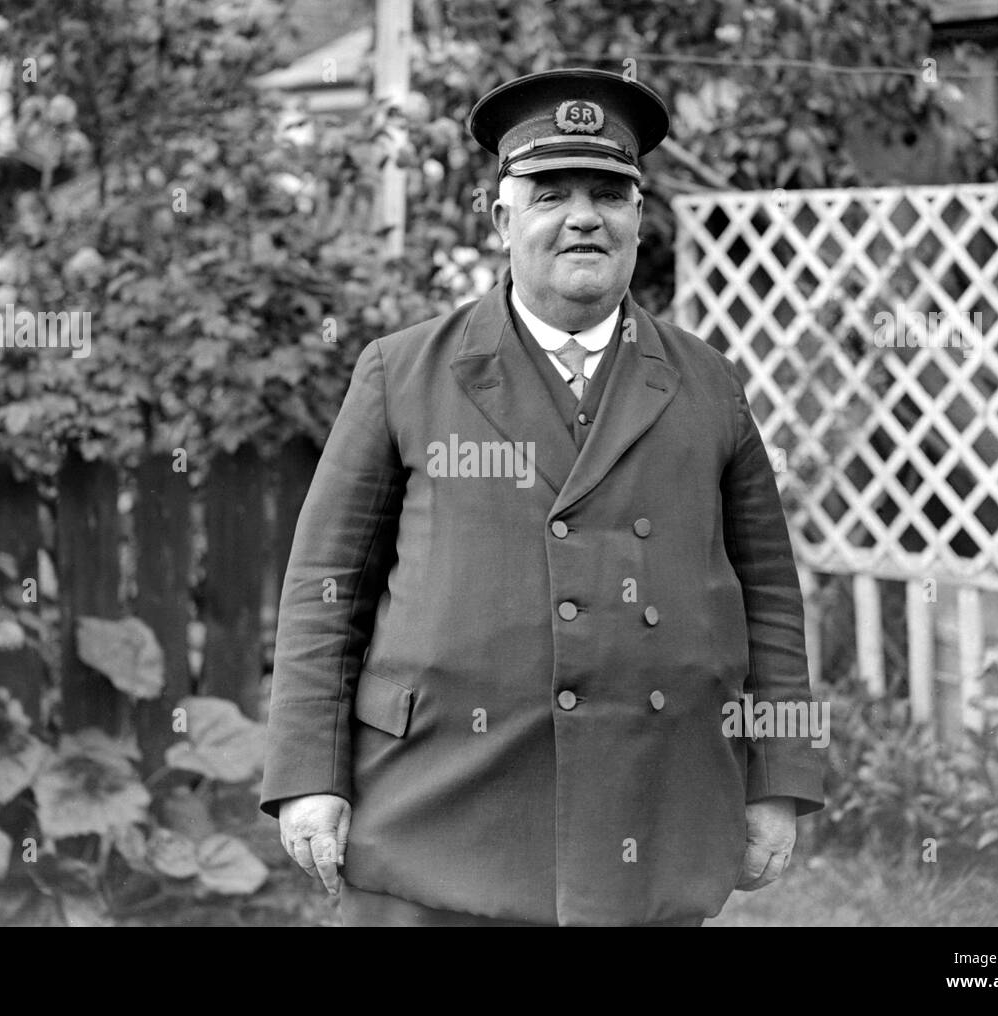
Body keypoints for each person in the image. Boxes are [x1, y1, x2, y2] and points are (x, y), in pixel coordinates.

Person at [259, 68, 825, 927]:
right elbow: (324, 587)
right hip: (434, 812)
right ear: (502, 220)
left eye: (609, 193)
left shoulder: (710, 383)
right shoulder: (401, 372)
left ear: (639, 217)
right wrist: (308, 775)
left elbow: (772, 597)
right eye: (551, 193)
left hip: (651, 811)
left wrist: (779, 781)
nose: (584, 217)